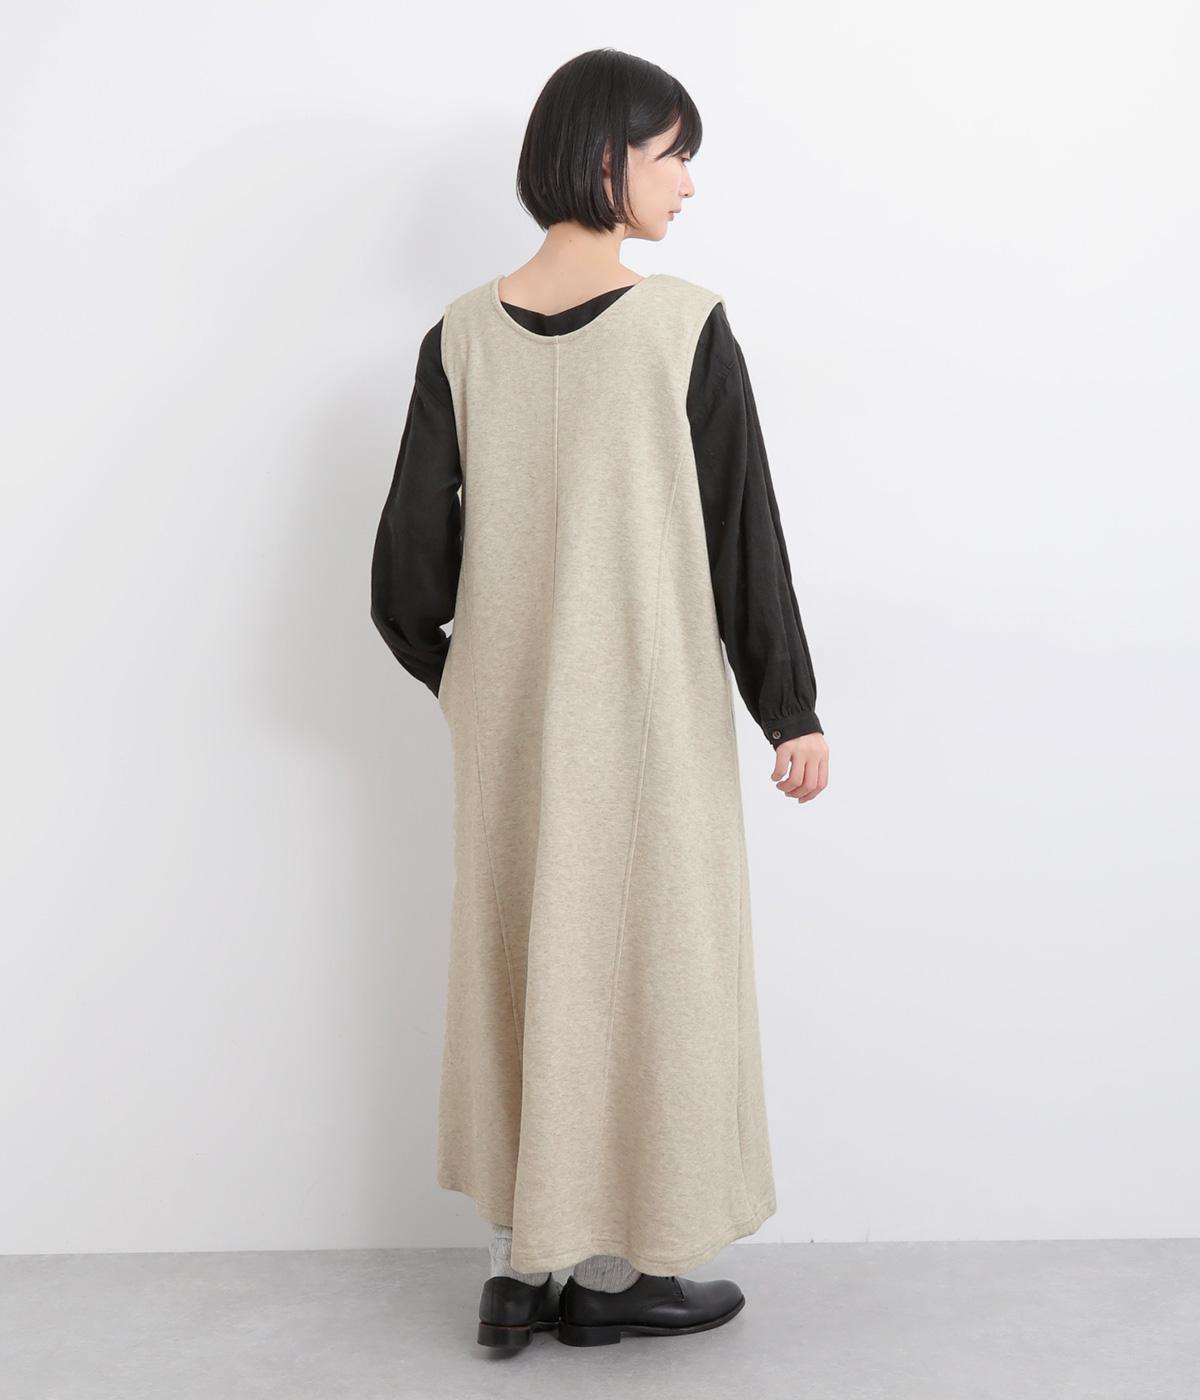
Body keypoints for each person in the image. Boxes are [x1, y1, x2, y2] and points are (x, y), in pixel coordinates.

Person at [370, 47, 829, 1350]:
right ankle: (616, 1278)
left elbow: (405, 578)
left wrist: (475, 683)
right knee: (650, 968)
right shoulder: (684, 325)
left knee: (525, 966)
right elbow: (743, 536)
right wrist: (789, 708)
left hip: (510, 731)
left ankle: (522, 1271)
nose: (688, 182)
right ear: (608, 156)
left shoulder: (459, 337)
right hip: (650, 715)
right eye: (674, 154)